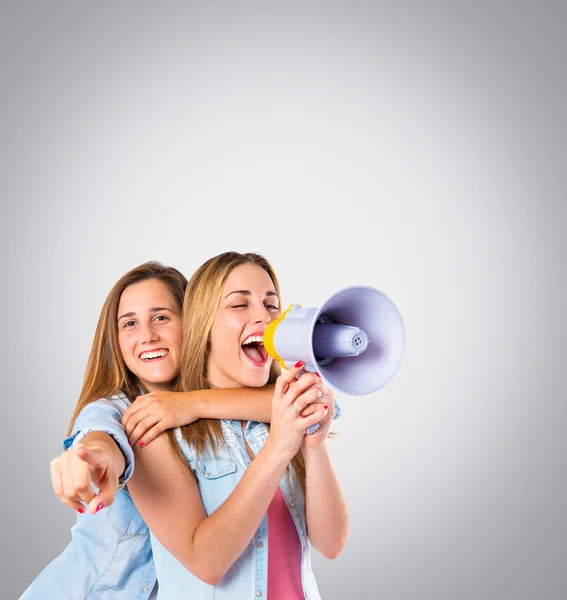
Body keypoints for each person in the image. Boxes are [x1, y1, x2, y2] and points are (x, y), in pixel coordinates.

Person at [20, 261, 330, 600]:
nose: (147, 335)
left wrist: (194, 403)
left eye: (161, 317)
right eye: (130, 324)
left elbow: (315, 403)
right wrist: (90, 456)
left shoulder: (209, 409)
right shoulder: (121, 410)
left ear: (195, 323)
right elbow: (101, 433)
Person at [128, 252, 349, 599]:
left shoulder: (278, 415)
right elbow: (207, 563)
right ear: (204, 325)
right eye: (239, 305)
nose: (263, 315)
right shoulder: (159, 431)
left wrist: (315, 447)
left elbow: (331, 543)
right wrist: (278, 448)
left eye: (271, 304)